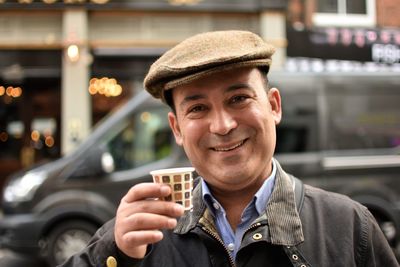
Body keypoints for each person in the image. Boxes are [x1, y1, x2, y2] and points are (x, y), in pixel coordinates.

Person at [60, 30, 398, 267]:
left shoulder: (351, 228)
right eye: (197, 108)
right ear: (177, 128)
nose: (222, 125)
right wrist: (114, 254)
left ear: (274, 106)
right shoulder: (140, 235)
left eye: (238, 99)